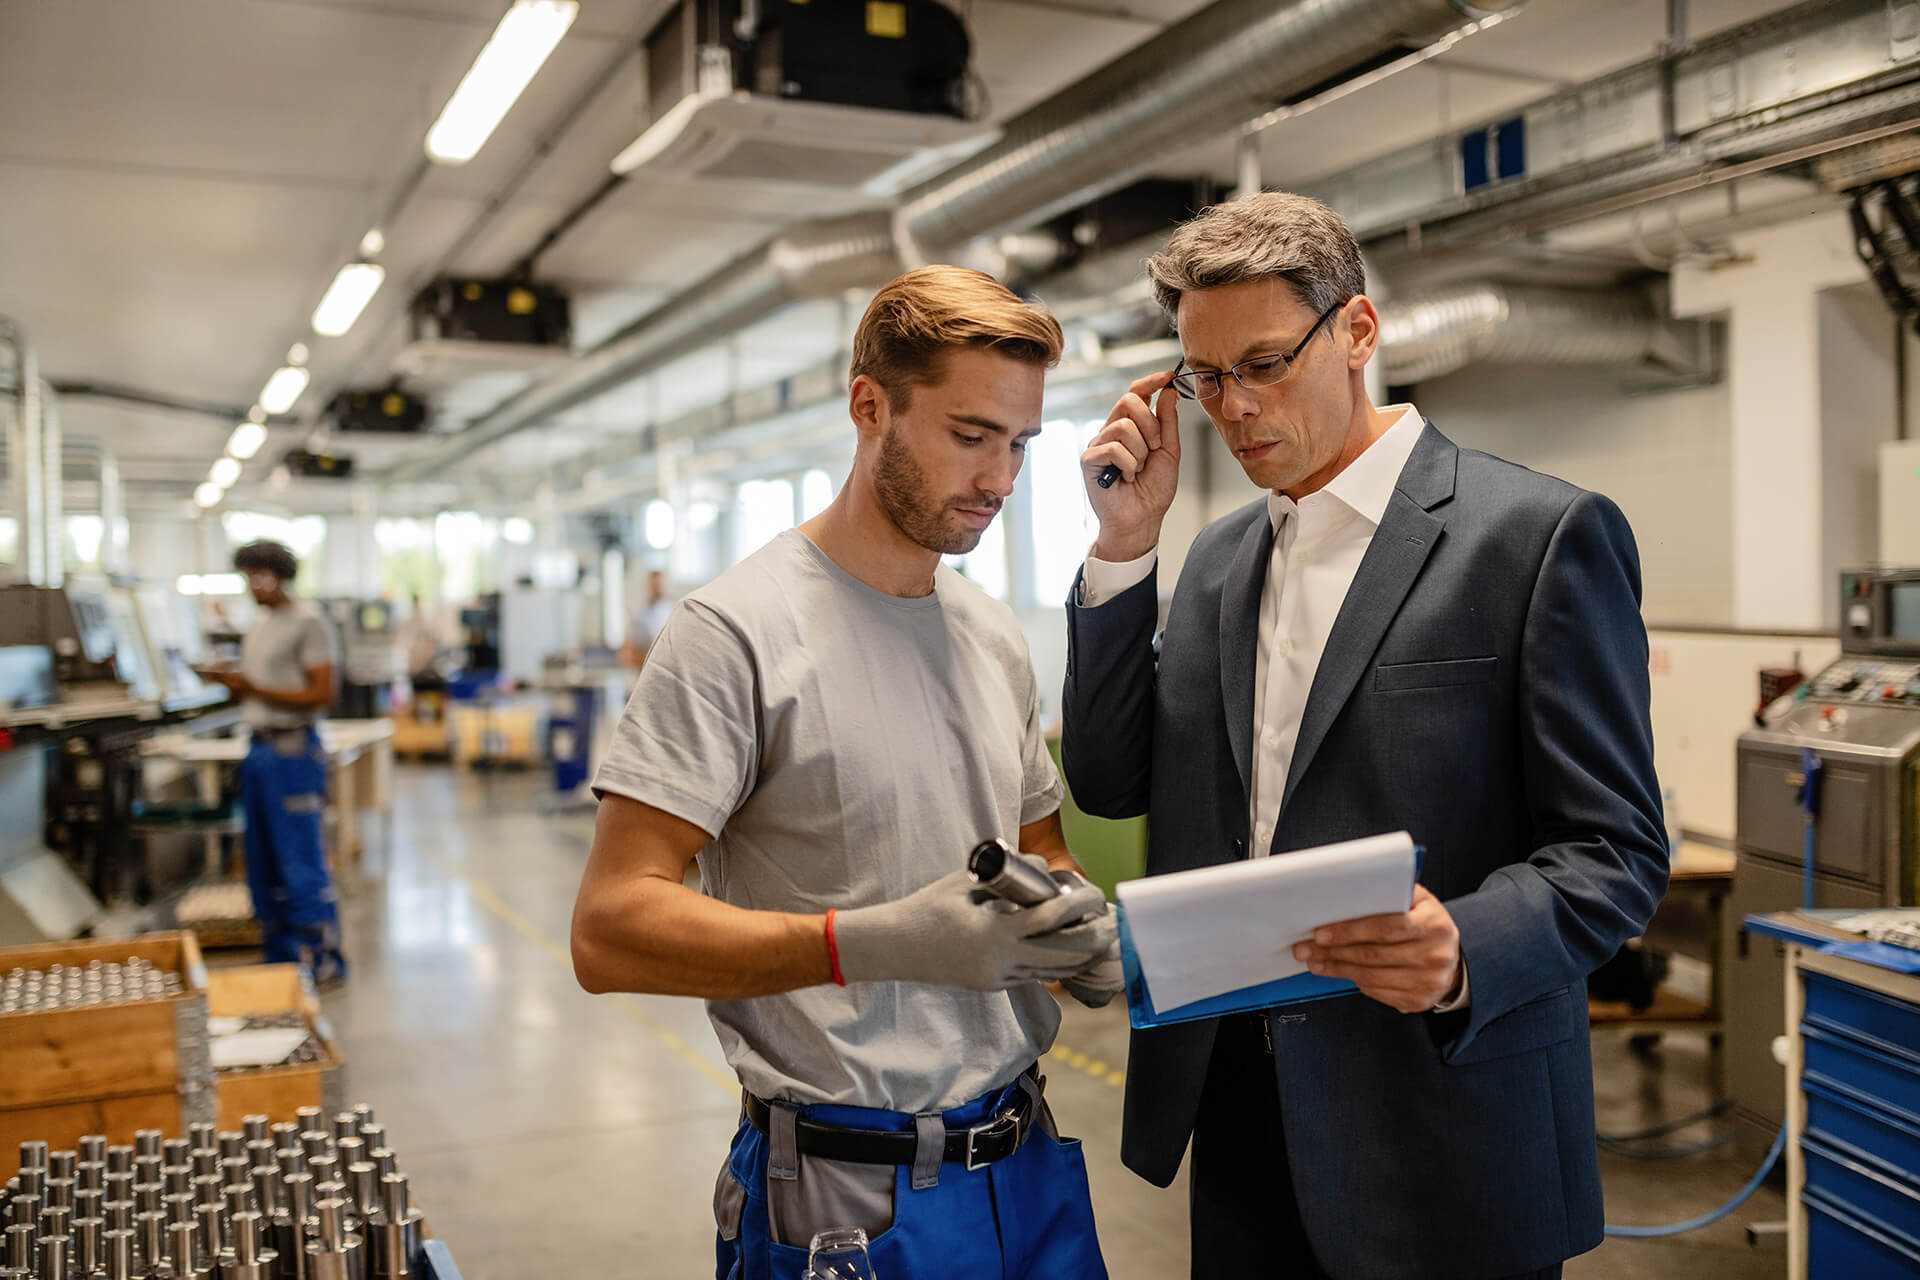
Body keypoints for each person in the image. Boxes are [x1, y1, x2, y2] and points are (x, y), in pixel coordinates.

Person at [1061, 193, 1668, 1279]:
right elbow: (1109, 783)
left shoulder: (1533, 538)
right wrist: (1123, 549)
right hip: (1241, 1108)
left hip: (1442, 1114)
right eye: (1205, 379)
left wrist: (1462, 949)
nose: (1235, 407)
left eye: (1264, 363)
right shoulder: (1213, 560)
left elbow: (1616, 853)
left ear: (1358, 330)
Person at [572, 265, 1121, 1280]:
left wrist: (1075, 929)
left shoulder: (994, 636)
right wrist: (867, 942)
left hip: (1027, 1163)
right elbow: (609, 928)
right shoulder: (732, 634)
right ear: (869, 406)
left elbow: (1042, 851)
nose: (1000, 477)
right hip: (846, 1198)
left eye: (1020, 443)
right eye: (969, 435)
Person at [202, 540, 348, 984]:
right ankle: (280, 962)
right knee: (263, 862)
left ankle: (323, 961)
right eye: (246, 576)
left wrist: (254, 688)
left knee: (299, 861)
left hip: (292, 751)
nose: (252, 585)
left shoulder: (308, 622)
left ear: (280, 576)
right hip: (259, 750)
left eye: (258, 576)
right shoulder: (261, 623)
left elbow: (323, 693)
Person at [619, 568, 674, 671]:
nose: (659, 588)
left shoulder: (674, 612)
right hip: (644, 670)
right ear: (649, 586)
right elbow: (629, 651)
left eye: (661, 584)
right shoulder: (641, 615)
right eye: (655, 585)